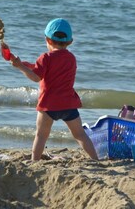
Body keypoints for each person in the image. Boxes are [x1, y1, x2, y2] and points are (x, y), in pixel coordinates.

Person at [8, 18, 98, 161]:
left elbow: (36, 77)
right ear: (70, 42)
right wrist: (26, 65)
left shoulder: (45, 57)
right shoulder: (71, 58)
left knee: (41, 135)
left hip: (49, 105)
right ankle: (95, 159)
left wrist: (20, 67)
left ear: (48, 40)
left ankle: (34, 161)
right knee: (80, 134)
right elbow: (51, 69)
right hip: (69, 104)